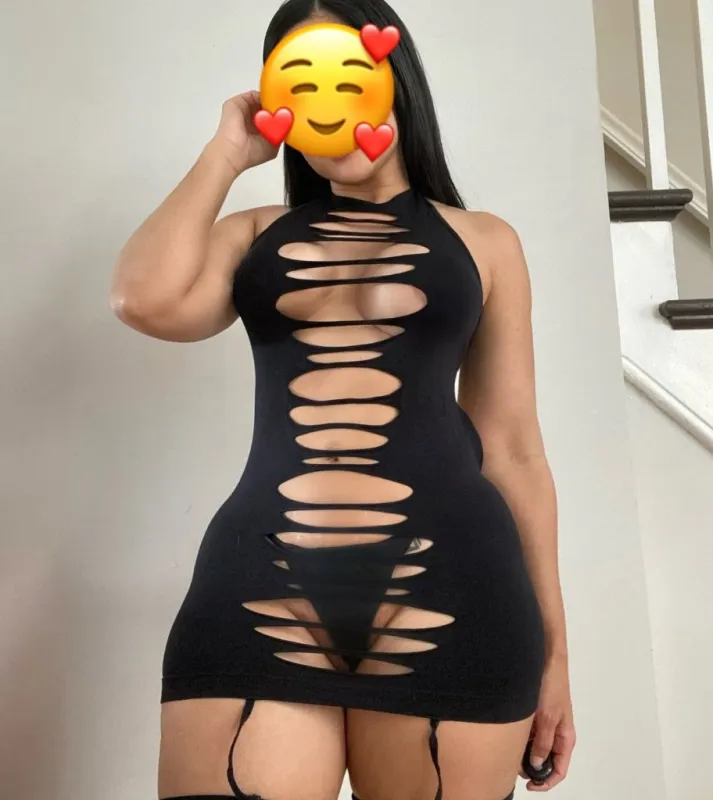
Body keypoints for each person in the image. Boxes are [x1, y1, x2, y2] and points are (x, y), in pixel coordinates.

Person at [110, 1, 576, 798]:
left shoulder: (485, 241)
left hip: (456, 588)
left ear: (394, 81)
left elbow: (513, 450)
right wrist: (227, 152)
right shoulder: (254, 233)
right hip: (258, 583)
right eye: (303, 82)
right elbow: (143, 300)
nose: (330, 101)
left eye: (350, 74)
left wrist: (556, 653)